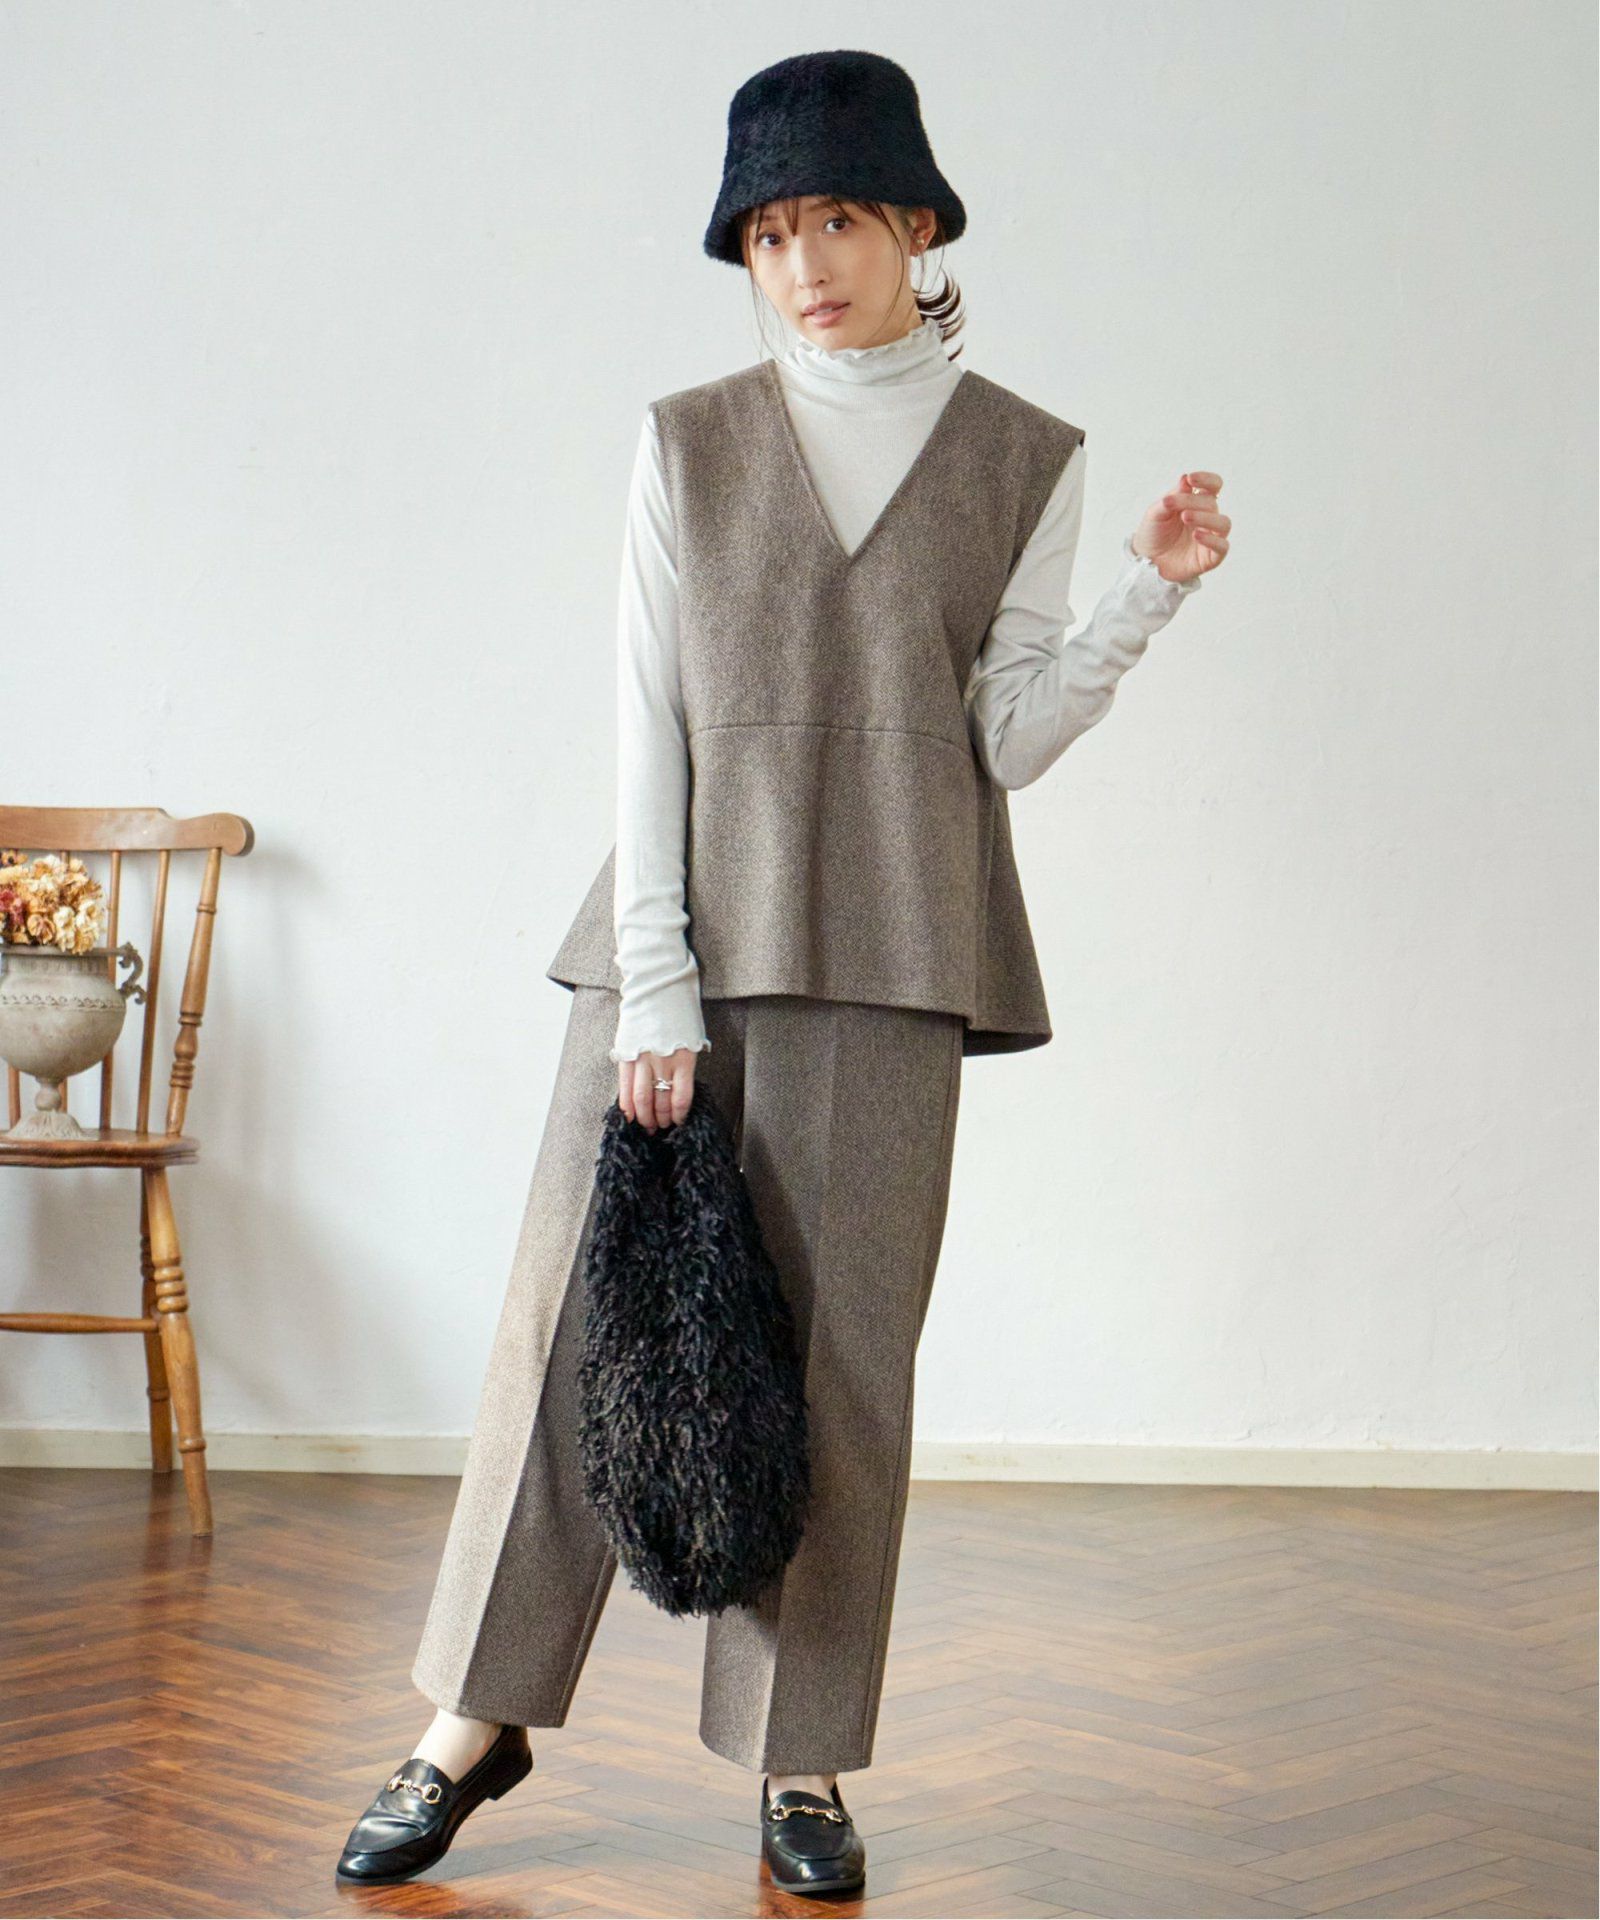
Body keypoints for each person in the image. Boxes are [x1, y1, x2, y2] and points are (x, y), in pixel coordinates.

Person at [336, 47, 1230, 1895]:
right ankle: (469, 1720)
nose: (802, 263)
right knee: (568, 1327)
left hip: (892, 948)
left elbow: (1003, 737)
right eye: (765, 233)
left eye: (833, 219)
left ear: (914, 225)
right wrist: (654, 983)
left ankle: (796, 1760)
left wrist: (1144, 594)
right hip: (676, 937)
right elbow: (643, 721)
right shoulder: (687, 439)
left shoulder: (1028, 457)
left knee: (841, 1371)